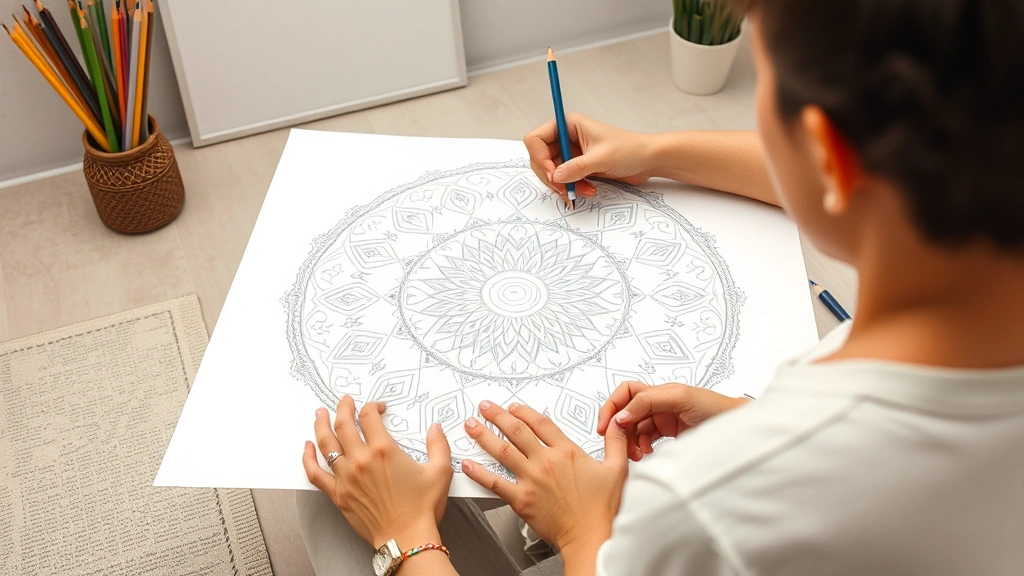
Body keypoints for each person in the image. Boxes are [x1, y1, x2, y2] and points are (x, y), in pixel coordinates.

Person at [296, 0, 1024, 574]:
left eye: (764, 94)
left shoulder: (704, 502)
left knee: (345, 494)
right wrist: (657, 152)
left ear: (830, 155)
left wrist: (418, 543)